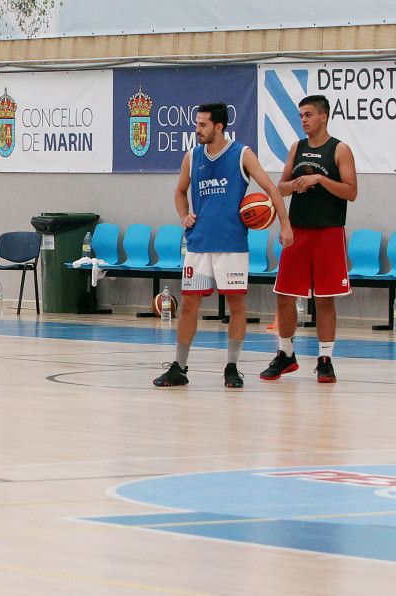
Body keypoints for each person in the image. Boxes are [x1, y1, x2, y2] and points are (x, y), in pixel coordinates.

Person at [153, 103, 292, 388]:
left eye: (203, 124)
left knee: (236, 305)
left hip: (231, 245)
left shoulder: (242, 154)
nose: (197, 129)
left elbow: (271, 190)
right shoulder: (192, 156)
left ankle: (231, 366)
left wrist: (285, 225)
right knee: (189, 305)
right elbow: (180, 191)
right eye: (196, 123)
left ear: (219, 126)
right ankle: (179, 366)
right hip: (198, 244)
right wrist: (183, 214)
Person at [261, 94, 357, 384]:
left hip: (328, 230)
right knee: (284, 295)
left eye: (308, 115)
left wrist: (320, 180)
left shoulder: (340, 149)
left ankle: (325, 360)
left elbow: (351, 192)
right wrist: (295, 185)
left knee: (325, 299)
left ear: (323, 116)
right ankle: (286, 355)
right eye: (301, 115)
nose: (303, 120)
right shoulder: (297, 147)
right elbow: (281, 188)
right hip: (298, 230)